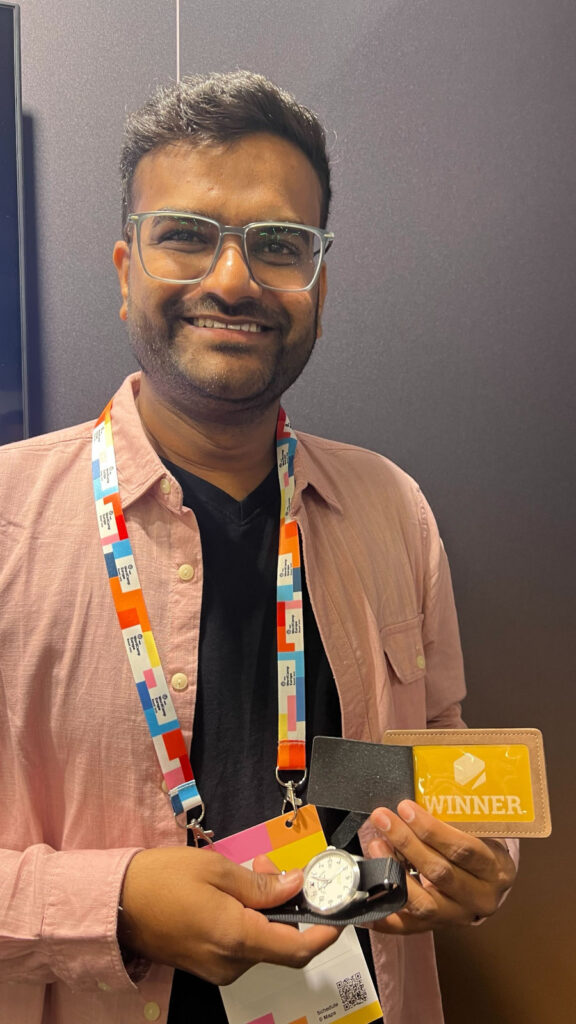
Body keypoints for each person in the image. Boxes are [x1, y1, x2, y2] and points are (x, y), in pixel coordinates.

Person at [0, 71, 517, 1024]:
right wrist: (113, 904)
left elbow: (443, 762)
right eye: (186, 236)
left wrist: (474, 864)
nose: (233, 279)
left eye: (279, 245)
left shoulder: (392, 509)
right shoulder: (7, 518)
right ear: (124, 274)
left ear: (319, 284)